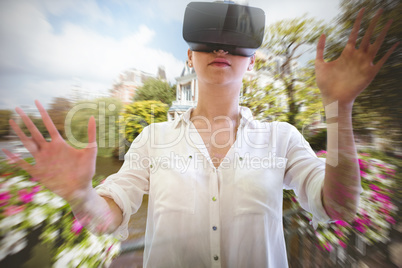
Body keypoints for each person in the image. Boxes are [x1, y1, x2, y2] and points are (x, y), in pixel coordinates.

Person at [2, 2, 399, 267]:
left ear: (252, 60)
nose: (220, 50)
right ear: (189, 56)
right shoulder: (152, 139)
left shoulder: (283, 138)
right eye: (206, 43)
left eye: (235, 45)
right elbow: (108, 217)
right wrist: (80, 194)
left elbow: (340, 208)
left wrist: (339, 108)